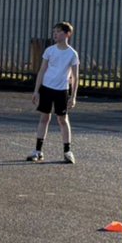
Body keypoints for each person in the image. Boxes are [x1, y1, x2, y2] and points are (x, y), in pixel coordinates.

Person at [27, 22, 80, 164]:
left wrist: (73, 96)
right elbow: (42, 71)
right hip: (46, 89)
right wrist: (36, 91)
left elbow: (75, 77)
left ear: (67, 34)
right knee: (44, 118)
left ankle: (67, 152)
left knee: (63, 120)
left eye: (58, 31)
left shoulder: (72, 54)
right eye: (54, 31)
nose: (55, 34)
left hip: (62, 91)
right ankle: (38, 151)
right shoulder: (49, 51)